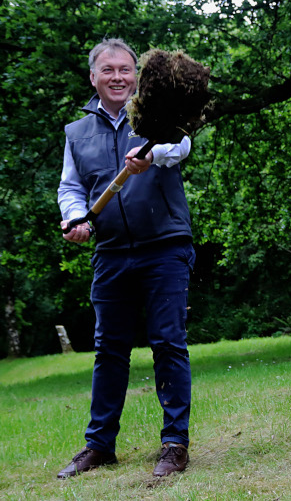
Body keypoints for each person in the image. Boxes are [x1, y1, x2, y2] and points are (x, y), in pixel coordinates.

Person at [57, 38, 195, 478]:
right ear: (93, 77)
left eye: (126, 69)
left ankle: (175, 444)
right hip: (111, 252)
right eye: (109, 69)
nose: (119, 77)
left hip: (165, 247)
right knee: (109, 350)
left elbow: (183, 145)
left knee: (167, 342)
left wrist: (152, 154)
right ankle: (99, 446)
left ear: (136, 76)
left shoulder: (153, 116)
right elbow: (71, 186)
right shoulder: (76, 132)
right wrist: (77, 217)